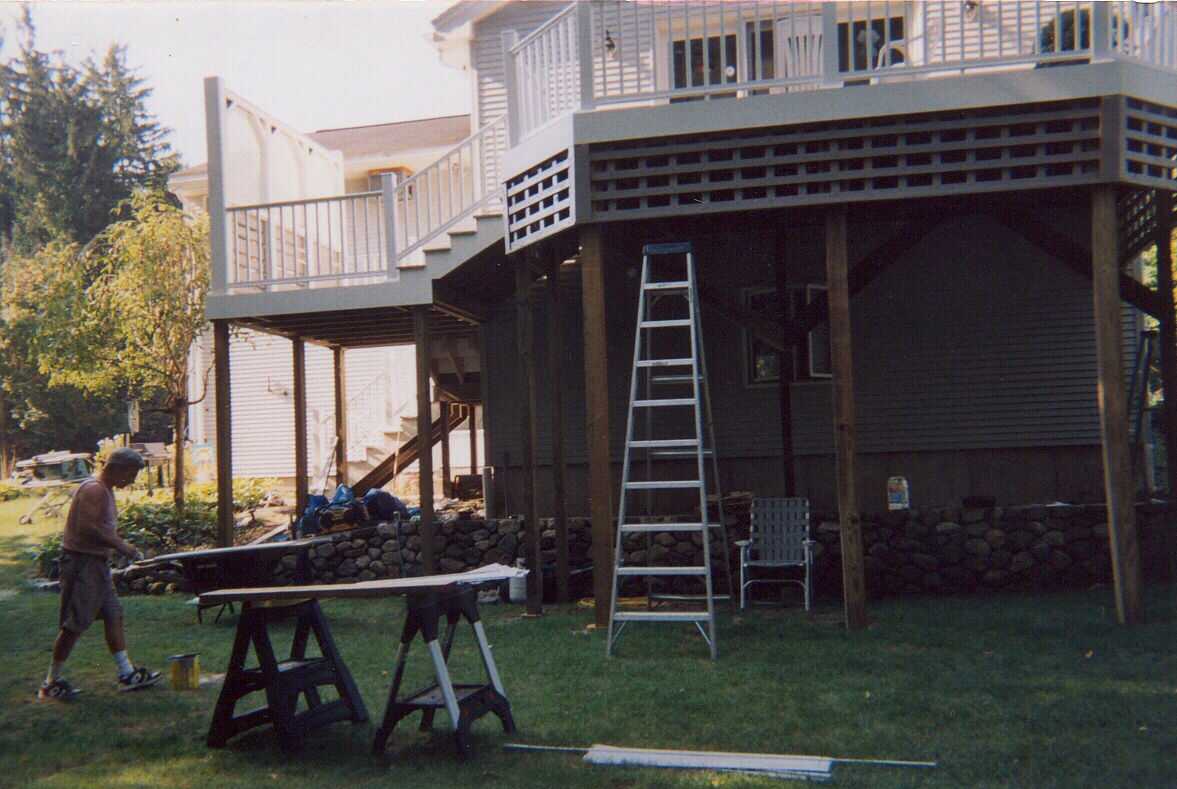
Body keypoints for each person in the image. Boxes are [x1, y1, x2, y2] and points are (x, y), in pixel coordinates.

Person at [38, 447, 161, 701]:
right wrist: (122, 546)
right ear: (116, 468)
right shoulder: (94, 489)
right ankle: (50, 683)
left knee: (113, 614)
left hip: (97, 566)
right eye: (131, 474)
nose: (132, 480)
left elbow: (99, 528)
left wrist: (116, 547)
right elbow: (89, 528)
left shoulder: (104, 490)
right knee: (75, 623)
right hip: (83, 565)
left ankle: (126, 673)